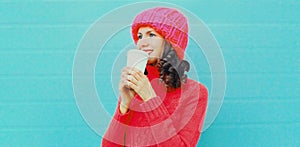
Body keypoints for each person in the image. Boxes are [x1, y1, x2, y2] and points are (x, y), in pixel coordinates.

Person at [102, 7, 208, 147]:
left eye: (151, 34)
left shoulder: (195, 92)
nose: (142, 42)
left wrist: (150, 99)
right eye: (139, 36)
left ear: (171, 42)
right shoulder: (134, 87)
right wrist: (124, 105)